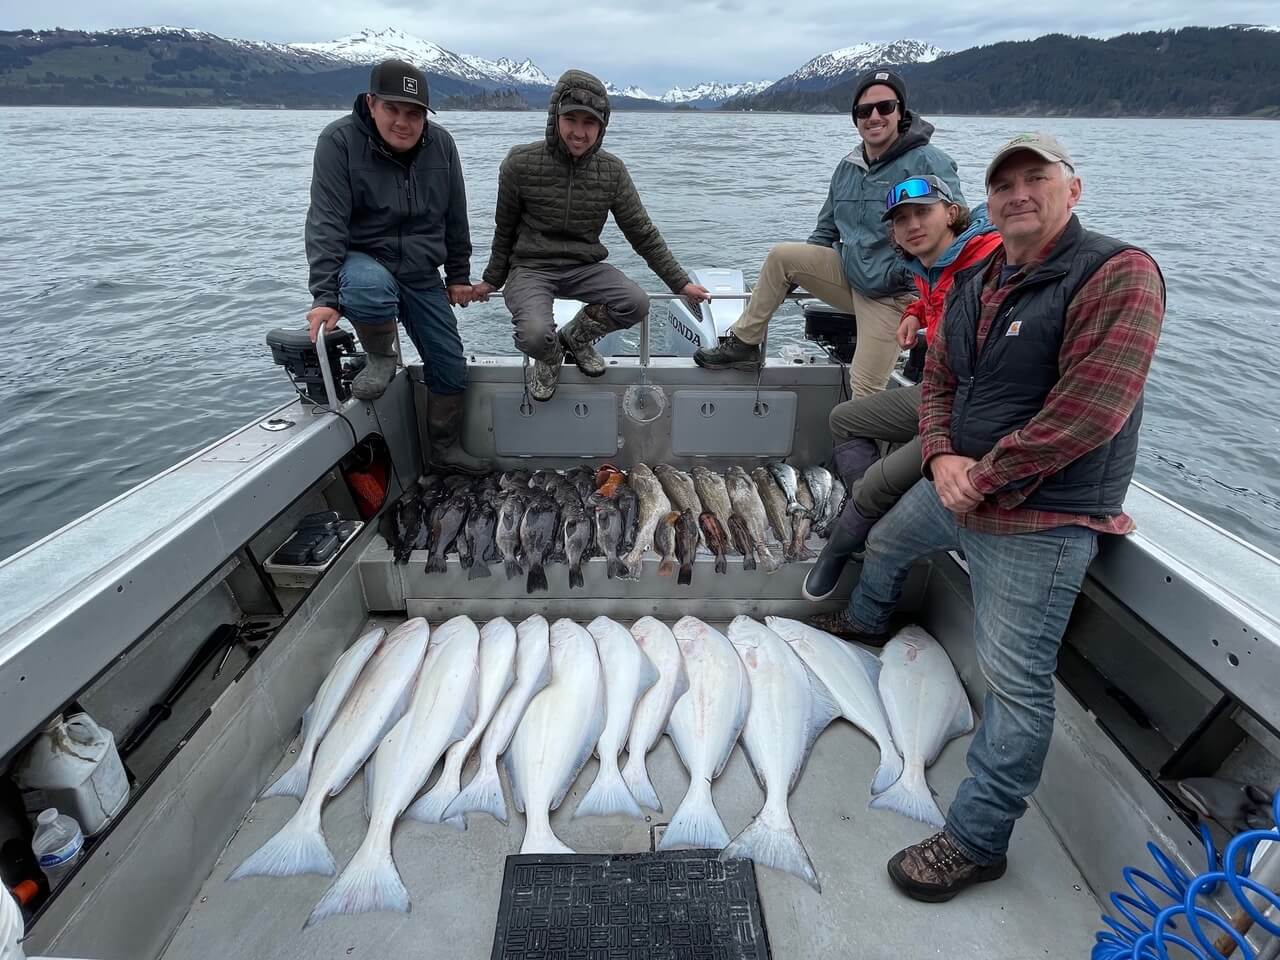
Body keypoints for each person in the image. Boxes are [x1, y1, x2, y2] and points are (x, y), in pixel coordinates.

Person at [809, 133, 1165, 901]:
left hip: (1043, 517)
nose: (1018, 194)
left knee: (1016, 685)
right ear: (988, 204)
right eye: (1004, 185)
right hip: (959, 487)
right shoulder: (985, 280)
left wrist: (985, 476)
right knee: (890, 539)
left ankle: (977, 840)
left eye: (1037, 178)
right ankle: (869, 620)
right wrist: (941, 457)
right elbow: (938, 380)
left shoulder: (1118, 273)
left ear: (1075, 188)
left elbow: (1091, 411)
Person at [693, 69, 963, 397]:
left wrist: (903, 275)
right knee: (783, 256)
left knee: (864, 392)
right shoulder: (847, 167)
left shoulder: (928, 161)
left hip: (892, 295)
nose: (874, 117)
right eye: (864, 111)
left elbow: (956, 228)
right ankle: (745, 344)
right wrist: (806, 271)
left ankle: (867, 449)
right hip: (851, 277)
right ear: (855, 117)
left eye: (885, 107)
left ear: (900, 111)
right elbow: (825, 229)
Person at [803, 175, 1001, 601]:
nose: (912, 225)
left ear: (951, 213)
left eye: (923, 212)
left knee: (875, 483)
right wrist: (914, 311)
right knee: (844, 418)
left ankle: (841, 546)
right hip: (938, 390)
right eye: (901, 219)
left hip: (969, 409)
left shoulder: (984, 263)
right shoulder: (932, 264)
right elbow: (933, 296)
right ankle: (866, 507)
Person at [471, 70, 710, 402]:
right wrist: (491, 281)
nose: (579, 132)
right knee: (534, 335)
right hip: (531, 268)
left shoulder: (612, 171)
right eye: (571, 119)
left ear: (602, 126)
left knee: (636, 303)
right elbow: (504, 230)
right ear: (556, 117)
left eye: (590, 123)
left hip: (584, 265)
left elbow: (641, 232)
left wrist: (680, 283)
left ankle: (576, 338)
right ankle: (551, 356)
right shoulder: (519, 163)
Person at [303, 59, 489, 474]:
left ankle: (443, 450)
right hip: (364, 261)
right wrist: (325, 297)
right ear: (371, 104)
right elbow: (325, 223)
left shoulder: (441, 146)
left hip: (421, 272)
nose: (403, 122)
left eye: (415, 113)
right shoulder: (338, 142)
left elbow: (456, 216)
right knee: (370, 288)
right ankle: (380, 355)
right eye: (393, 109)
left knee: (450, 366)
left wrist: (458, 275)